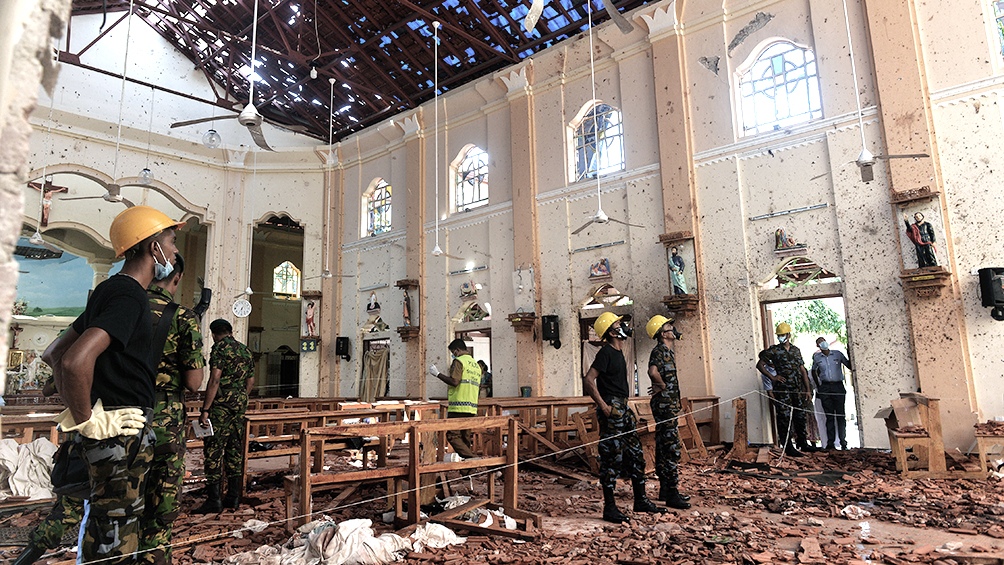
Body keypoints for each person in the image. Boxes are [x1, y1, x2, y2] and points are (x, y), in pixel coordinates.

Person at [40, 205, 182, 564]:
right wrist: (87, 420)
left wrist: (84, 413)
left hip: (112, 429)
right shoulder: (129, 295)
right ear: (153, 248)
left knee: (104, 530)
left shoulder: (108, 289)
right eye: (171, 241)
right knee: (116, 539)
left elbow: (54, 352)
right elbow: (73, 361)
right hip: (120, 435)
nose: (175, 251)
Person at [141, 252, 206, 565]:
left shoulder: (118, 307)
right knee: (160, 504)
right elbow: (194, 382)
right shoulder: (182, 317)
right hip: (163, 418)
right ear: (176, 278)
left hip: (116, 415)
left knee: (116, 503)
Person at [582, 312, 664, 524]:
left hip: (624, 407)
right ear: (611, 332)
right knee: (611, 458)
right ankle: (609, 508)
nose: (624, 326)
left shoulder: (619, 352)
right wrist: (604, 406)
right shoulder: (606, 353)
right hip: (613, 408)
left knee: (636, 455)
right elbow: (589, 380)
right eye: (619, 324)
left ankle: (641, 500)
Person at [13, 375, 84, 565]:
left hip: (90, 437)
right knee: (70, 508)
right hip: (92, 439)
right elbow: (49, 388)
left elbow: (50, 387)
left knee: (71, 509)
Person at [194, 319, 253, 513]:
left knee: (213, 451)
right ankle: (233, 497)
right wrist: (240, 398)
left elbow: (215, 379)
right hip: (239, 407)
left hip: (220, 408)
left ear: (213, 334)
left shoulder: (219, 348)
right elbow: (250, 381)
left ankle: (214, 500)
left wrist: (205, 409)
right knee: (234, 450)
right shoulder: (245, 350)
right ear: (230, 331)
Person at [645, 315, 690, 510]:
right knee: (671, 447)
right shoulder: (659, 351)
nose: (674, 330)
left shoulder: (667, 352)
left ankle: (665, 489)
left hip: (668, 405)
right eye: (670, 327)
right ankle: (672, 493)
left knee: (664, 446)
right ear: (663, 334)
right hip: (664, 406)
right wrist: (661, 385)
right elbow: (652, 371)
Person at [756, 322, 816, 458]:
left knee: (800, 416)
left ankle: (803, 443)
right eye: (779, 335)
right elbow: (760, 365)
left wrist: (807, 389)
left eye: (783, 334)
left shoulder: (796, 350)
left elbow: (802, 370)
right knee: (784, 417)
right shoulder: (774, 350)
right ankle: (788, 446)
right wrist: (773, 377)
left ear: (789, 335)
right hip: (782, 391)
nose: (781, 337)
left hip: (797, 389)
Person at [428, 339, 481, 459]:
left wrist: (438, 374)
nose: (453, 355)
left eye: (453, 352)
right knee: (465, 438)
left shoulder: (459, 361)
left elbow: (455, 381)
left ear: (457, 350)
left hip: (458, 406)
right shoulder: (475, 365)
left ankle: (472, 459)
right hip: (472, 407)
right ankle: (469, 468)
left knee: (452, 435)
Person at [811, 337, 852, 451]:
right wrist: (819, 386)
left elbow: (849, 365)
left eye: (823, 341)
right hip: (825, 387)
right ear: (818, 346)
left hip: (838, 386)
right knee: (829, 416)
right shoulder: (817, 357)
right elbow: (814, 371)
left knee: (840, 415)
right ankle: (831, 443)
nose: (822, 343)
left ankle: (843, 442)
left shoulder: (837, 354)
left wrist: (850, 352)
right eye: (820, 342)